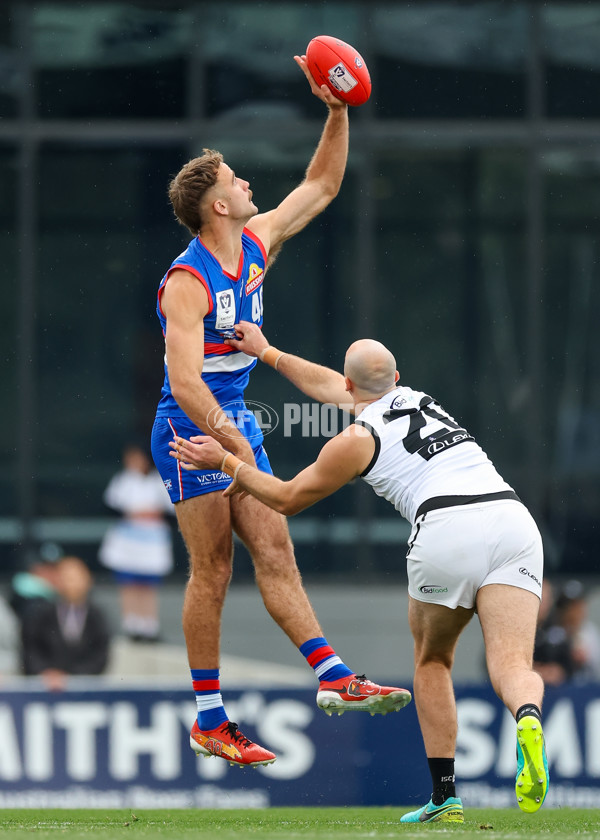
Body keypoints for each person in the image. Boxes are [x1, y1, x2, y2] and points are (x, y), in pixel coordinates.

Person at [170, 321, 549, 820]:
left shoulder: (355, 438)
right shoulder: (421, 399)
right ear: (397, 376)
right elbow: (331, 384)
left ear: (350, 388)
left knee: (434, 660)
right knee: (513, 666)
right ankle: (527, 718)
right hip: (512, 521)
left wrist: (229, 462)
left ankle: (445, 796)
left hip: (445, 528)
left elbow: (286, 498)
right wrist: (268, 353)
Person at [150, 55, 411, 768]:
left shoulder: (258, 241)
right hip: (189, 427)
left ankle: (334, 679)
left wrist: (336, 111)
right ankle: (210, 718)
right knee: (213, 569)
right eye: (237, 179)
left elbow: (321, 184)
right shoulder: (186, 283)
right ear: (218, 207)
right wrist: (230, 444)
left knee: (276, 546)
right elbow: (185, 384)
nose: (248, 183)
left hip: (233, 418)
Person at [99, 443, 174, 642]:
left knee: (148, 586)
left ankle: (149, 625)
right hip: (128, 541)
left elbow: (171, 509)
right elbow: (112, 506)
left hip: (151, 542)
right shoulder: (122, 480)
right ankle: (132, 624)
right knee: (129, 583)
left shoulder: (157, 481)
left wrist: (152, 514)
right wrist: (133, 514)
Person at [21, 555, 110, 692]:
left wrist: (72, 678)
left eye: (76, 578)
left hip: (85, 689)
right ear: (57, 581)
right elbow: (31, 649)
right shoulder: (40, 614)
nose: (71, 584)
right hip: (44, 689)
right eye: (66, 578)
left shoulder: (97, 616)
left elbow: (100, 654)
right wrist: (47, 674)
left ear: (88, 580)